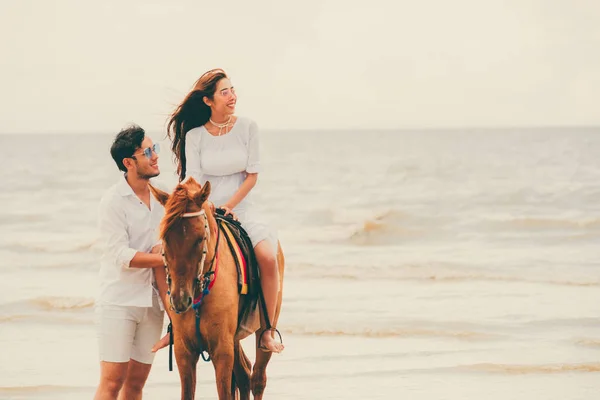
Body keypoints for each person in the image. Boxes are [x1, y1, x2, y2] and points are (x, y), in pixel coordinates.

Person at [165, 68, 284, 353]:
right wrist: (194, 205)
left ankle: (267, 330)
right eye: (225, 92)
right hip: (205, 209)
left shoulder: (247, 127)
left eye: (232, 90)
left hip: (242, 208)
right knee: (173, 253)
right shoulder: (195, 136)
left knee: (268, 258)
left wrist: (230, 206)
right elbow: (191, 177)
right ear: (208, 101)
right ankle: (175, 324)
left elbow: (252, 175)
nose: (233, 96)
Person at [93, 125, 172, 400]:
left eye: (155, 149)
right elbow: (121, 256)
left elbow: (166, 254)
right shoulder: (113, 201)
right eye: (147, 151)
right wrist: (164, 257)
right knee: (112, 383)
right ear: (128, 162)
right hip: (119, 301)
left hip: (153, 304)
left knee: (136, 385)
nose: (155, 156)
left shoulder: (164, 199)